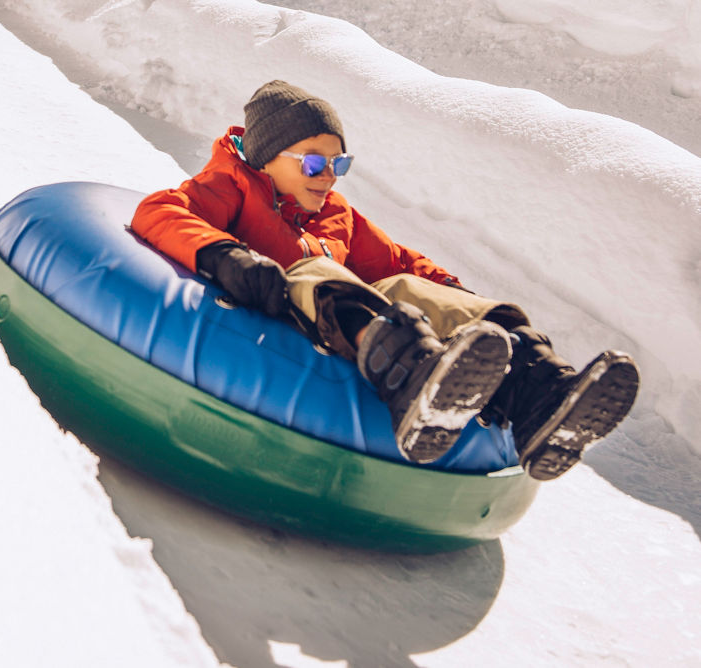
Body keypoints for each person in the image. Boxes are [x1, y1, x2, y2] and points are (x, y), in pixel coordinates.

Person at [131, 80, 639, 480]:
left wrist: (460, 298)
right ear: (267, 155)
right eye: (313, 161)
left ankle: (541, 395)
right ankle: (410, 378)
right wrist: (227, 258)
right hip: (286, 310)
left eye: (339, 162)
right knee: (315, 270)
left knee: (407, 289)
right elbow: (160, 209)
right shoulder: (232, 186)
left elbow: (399, 264)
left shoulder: (336, 213)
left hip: (345, 320)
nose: (328, 174)